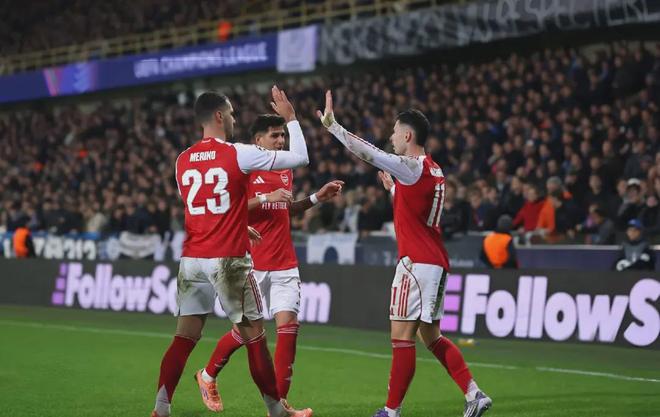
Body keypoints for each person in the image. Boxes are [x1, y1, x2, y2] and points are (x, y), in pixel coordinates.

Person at [316, 91, 491, 417]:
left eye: (395, 132)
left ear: (408, 136)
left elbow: (368, 152)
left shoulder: (410, 166)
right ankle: (474, 393)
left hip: (415, 264)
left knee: (401, 337)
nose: (391, 137)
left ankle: (391, 410)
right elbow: (419, 208)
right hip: (435, 263)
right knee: (432, 336)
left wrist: (333, 126)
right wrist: (395, 190)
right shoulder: (434, 169)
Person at [151, 87, 312, 417]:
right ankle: (277, 412)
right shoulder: (238, 153)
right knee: (255, 338)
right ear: (219, 116)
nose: (235, 120)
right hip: (228, 259)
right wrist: (292, 119)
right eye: (232, 114)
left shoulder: (182, 160)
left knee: (184, 338)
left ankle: (160, 410)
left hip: (192, 259)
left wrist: (238, 223)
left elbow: (205, 208)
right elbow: (301, 158)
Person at [194, 114, 343, 412]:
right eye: (274, 136)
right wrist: (264, 198)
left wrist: (316, 198)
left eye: (282, 135)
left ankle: (280, 406)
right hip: (251, 265)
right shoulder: (244, 169)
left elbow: (284, 209)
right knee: (244, 333)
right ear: (258, 140)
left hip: (285, 263)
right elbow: (228, 209)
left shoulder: (285, 169)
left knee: (288, 329)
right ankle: (207, 376)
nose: (280, 141)